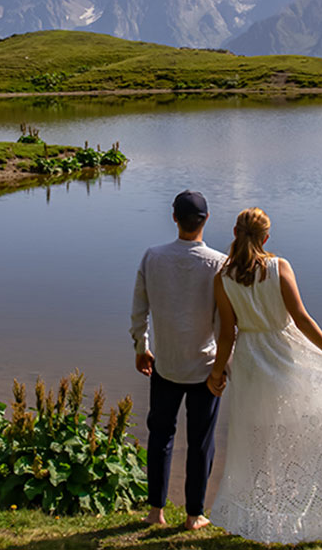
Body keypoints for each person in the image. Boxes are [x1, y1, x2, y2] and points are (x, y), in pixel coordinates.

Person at [206, 207, 322, 544]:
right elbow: (302, 319)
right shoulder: (279, 268)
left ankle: (266, 516)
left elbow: (226, 334)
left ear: (235, 233)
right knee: (294, 435)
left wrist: (217, 373)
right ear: (266, 238)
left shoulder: (223, 278)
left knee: (257, 440)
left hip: (249, 361)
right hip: (283, 355)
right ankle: (296, 511)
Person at [130, 190, 227, 530]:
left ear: (174, 218)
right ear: (206, 219)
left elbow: (139, 310)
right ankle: (193, 514)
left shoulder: (152, 257)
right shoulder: (219, 263)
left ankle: (155, 511)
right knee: (201, 443)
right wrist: (224, 367)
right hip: (205, 370)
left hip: (165, 365)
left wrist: (141, 347)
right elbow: (223, 321)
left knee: (160, 437)